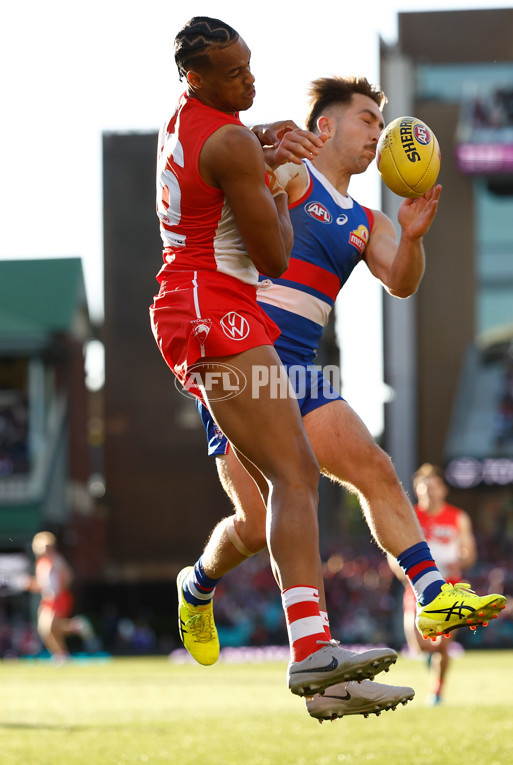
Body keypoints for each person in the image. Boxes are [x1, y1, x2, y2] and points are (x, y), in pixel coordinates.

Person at [176, 73, 506, 720]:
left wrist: (410, 237)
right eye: (364, 122)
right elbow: (239, 169)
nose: (375, 136)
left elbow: (401, 282)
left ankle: (432, 591)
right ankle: (197, 584)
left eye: (379, 127)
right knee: (251, 524)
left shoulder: (366, 218)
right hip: (242, 357)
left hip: (298, 369)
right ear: (324, 126)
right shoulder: (294, 174)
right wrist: (271, 150)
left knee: (376, 469)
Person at [150, 17, 398, 700]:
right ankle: (313, 657)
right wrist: (285, 177)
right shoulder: (231, 141)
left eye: (250, 65)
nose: (250, 81)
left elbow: (223, 163)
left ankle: (314, 668)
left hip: (203, 305)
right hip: (214, 311)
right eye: (234, 73)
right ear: (196, 77)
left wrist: (263, 149)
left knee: (274, 501)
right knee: (295, 474)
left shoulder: (189, 119)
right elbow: (276, 255)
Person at [389, 464, 479, 706]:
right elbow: (393, 550)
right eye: (424, 487)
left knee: (443, 643)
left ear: (444, 489)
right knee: (418, 642)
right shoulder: (410, 517)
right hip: (417, 586)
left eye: (434, 486)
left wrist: (462, 558)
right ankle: (430, 657)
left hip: (449, 586)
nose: (429, 491)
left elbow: (469, 551)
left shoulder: (457, 517)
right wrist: (401, 571)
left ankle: (437, 690)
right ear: (417, 491)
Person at [23, 531, 93, 663]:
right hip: (48, 599)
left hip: (58, 598)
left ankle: (72, 633)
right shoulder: (41, 563)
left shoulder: (56, 559)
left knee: (49, 627)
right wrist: (30, 584)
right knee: (46, 630)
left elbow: (68, 575)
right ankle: (63, 651)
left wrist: (59, 590)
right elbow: (42, 585)